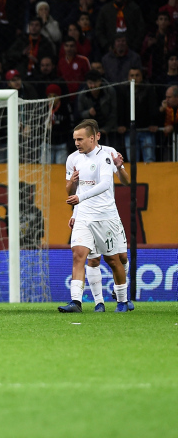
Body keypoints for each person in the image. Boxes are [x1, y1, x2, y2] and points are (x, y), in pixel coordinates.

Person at [59, 121, 131, 313]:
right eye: (75, 139)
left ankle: (122, 300)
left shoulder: (106, 156)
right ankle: (77, 302)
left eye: (80, 139)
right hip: (83, 215)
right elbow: (70, 191)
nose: (76, 143)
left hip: (105, 215)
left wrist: (120, 168)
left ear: (93, 138)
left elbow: (107, 184)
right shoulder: (73, 159)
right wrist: (72, 185)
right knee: (79, 256)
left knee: (115, 259)